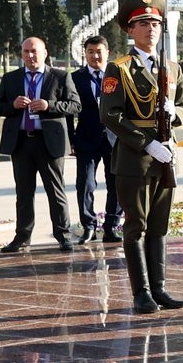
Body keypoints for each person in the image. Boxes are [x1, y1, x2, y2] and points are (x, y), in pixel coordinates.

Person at [99, 0, 183, 313]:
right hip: (135, 159)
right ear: (130, 30)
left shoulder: (172, 66)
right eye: (142, 24)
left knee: (159, 226)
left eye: (155, 23)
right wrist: (146, 143)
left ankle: (160, 288)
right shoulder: (119, 68)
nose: (150, 29)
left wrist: (175, 114)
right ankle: (141, 292)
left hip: (166, 157)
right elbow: (110, 115)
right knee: (136, 227)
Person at [0, 36, 80, 253]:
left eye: (34, 51)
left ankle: (63, 235)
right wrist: (13, 105)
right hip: (21, 142)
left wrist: (49, 105)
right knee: (23, 194)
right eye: (26, 52)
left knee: (56, 192)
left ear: (45, 53)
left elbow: (75, 105)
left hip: (48, 143)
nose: (30, 56)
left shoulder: (60, 76)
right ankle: (22, 238)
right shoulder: (11, 78)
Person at [68, 36, 121, 243]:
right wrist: (71, 139)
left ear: (107, 53)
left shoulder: (118, 76)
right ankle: (88, 226)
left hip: (114, 139)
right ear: (85, 54)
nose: (95, 56)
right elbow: (69, 112)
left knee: (116, 184)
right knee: (85, 184)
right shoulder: (75, 78)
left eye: (99, 51)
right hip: (86, 138)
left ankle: (111, 226)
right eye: (90, 52)